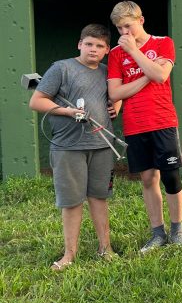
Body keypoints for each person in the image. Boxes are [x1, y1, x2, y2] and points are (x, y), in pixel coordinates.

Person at [29, 24, 121, 270]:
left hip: (102, 144)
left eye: (99, 46)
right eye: (89, 44)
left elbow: (117, 94)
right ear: (80, 44)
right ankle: (69, 254)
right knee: (71, 201)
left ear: (107, 50)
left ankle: (106, 248)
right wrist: (68, 112)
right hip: (68, 146)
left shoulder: (107, 72)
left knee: (99, 197)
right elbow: (37, 101)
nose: (93, 49)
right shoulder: (61, 68)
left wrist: (116, 106)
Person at [107, 1, 182, 253]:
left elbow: (161, 76)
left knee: (170, 176)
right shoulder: (115, 54)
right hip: (135, 123)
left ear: (141, 20)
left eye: (128, 26)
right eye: (119, 28)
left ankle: (177, 231)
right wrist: (148, 74)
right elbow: (115, 93)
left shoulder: (162, 42)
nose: (124, 33)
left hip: (162, 120)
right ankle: (158, 233)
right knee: (147, 178)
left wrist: (135, 52)